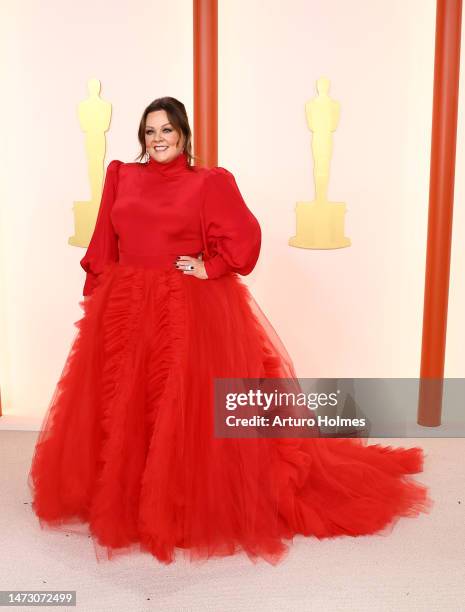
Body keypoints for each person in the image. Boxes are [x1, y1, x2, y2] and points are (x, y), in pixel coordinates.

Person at [28, 96, 432, 566]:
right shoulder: (122, 175)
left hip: (183, 309)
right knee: (123, 405)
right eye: (150, 131)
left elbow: (245, 238)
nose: (158, 139)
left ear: (183, 136)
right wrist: (98, 294)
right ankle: (125, 497)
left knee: (180, 406)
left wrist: (210, 264)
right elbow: (104, 241)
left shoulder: (209, 183)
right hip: (124, 307)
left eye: (167, 131)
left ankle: (175, 504)